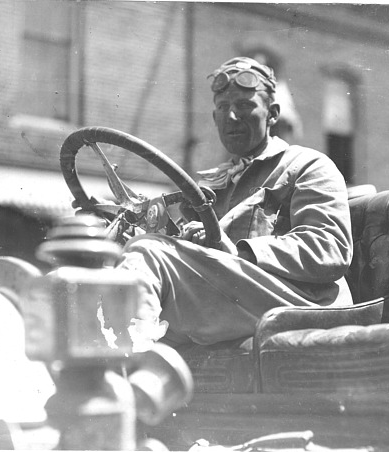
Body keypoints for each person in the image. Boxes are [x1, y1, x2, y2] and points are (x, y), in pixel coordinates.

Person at [118, 56, 353, 351]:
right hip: (238, 299)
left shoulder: (308, 165)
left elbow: (328, 248)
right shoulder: (211, 186)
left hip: (304, 304)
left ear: (273, 114)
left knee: (147, 254)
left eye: (244, 106)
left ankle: (120, 375)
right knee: (111, 272)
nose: (231, 117)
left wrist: (240, 250)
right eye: (222, 108)